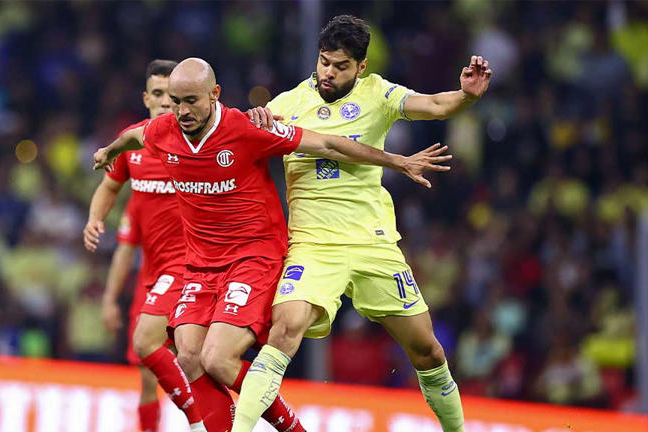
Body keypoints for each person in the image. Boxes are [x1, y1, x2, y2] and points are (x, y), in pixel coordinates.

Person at [93, 57, 452, 432]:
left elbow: (328, 143)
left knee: (217, 358)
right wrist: (109, 151)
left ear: (215, 95)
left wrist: (396, 161)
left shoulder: (244, 129)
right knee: (189, 357)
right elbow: (134, 136)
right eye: (176, 100)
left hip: (253, 257)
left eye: (192, 101)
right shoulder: (162, 131)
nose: (182, 111)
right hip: (200, 265)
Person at [235, 15, 492, 432]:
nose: (328, 73)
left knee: (427, 351)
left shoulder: (380, 94)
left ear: (361, 67)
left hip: (373, 243)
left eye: (339, 66)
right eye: (323, 62)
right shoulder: (287, 104)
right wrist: (252, 121)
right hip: (313, 245)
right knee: (285, 329)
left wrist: (466, 96)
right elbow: (239, 137)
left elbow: (435, 105)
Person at [83, 59, 210, 432]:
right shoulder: (133, 147)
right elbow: (110, 190)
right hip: (151, 277)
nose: (165, 104)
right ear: (146, 98)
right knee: (147, 370)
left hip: (190, 268)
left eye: (170, 97)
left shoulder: (194, 143)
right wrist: (94, 219)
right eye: (157, 95)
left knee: (184, 355)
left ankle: (203, 419)